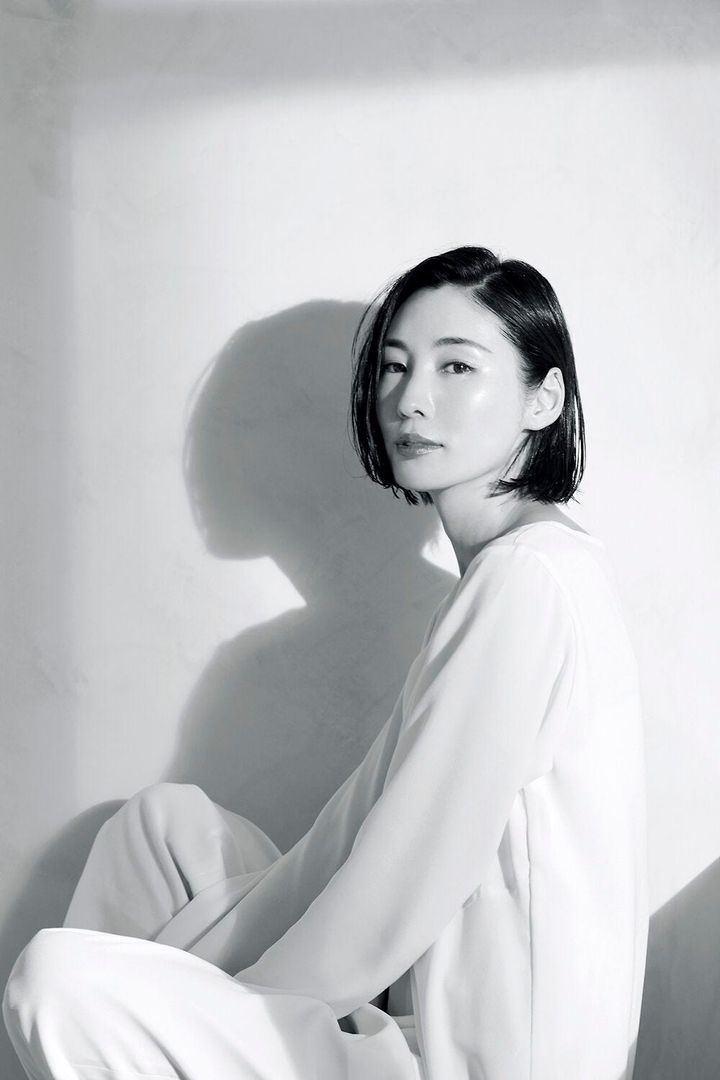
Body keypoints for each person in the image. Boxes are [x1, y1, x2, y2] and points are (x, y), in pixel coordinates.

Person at [3, 246, 648, 1080]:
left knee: (55, 983)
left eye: (456, 366)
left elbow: (403, 884)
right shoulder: (517, 574)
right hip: (412, 1017)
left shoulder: (526, 582)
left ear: (543, 398)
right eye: (395, 366)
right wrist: (196, 991)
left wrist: (220, 1007)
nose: (411, 399)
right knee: (159, 829)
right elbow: (360, 840)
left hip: (475, 1064)